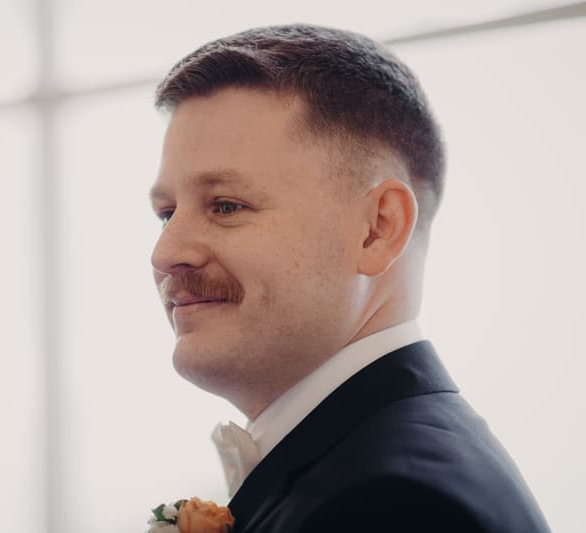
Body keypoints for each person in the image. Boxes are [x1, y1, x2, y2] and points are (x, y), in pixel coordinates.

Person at [148, 24, 550, 532]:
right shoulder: (367, 467)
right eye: (167, 213)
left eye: (226, 205)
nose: (166, 253)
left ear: (377, 229)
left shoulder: (396, 504)